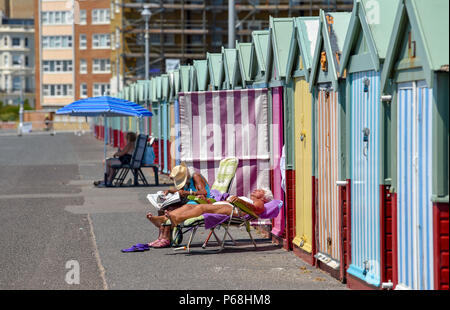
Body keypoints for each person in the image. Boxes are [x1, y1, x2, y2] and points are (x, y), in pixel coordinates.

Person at [146, 188, 273, 243]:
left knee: (201, 208)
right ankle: (163, 219)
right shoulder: (247, 198)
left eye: (259, 190)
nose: (256, 190)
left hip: (235, 210)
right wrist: (207, 200)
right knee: (190, 206)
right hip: (227, 206)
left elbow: (257, 209)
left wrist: (239, 201)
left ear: (264, 197)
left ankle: (176, 219)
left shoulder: (260, 202)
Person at [145, 162, 211, 248]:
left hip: (200, 201)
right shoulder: (187, 180)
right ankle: (161, 237)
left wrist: (187, 192)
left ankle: (166, 237)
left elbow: (204, 192)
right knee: (163, 208)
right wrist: (170, 191)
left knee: (171, 209)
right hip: (190, 200)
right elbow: (182, 192)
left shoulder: (195, 176)